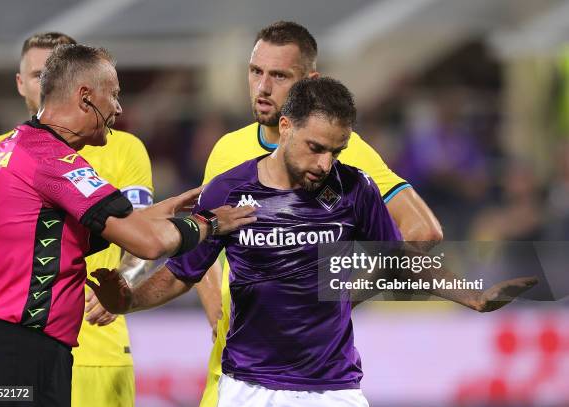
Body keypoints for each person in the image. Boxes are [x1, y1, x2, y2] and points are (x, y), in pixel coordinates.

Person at [90, 77, 535, 407]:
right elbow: (183, 274)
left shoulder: (352, 189)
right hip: (250, 388)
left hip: (333, 389)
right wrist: (127, 300)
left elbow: (397, 261)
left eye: (336, 151)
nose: (325, 164)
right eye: (316, 147)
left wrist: (473, 297)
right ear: (285, 127)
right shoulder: (228, 190)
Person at [0, 44, 256, 407]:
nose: (118, 107)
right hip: (28, 355)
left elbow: (65, 234)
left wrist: (166, 209)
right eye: (113, 95)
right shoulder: (56, 164)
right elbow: (146, 244)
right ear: (86, 97)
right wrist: (210, 222)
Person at [194, 21, 443, 407]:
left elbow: (422, 232)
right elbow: (203, 241)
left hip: (310, 377)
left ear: (309, 80)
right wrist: (216, 310)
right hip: (234, 370)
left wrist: (340, 295)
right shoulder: (227, 150)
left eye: (279, 75)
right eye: (256, 71)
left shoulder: (345, 153)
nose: (262, 87)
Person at [0, 32, 147, 407]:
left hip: (99, 354)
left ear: (79, 87)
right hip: (9, 347)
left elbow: (143, 237)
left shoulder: (123, 147)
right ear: (21, 83)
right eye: (37, 74)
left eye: (51, 74)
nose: (44, 83)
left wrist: (125, 282)